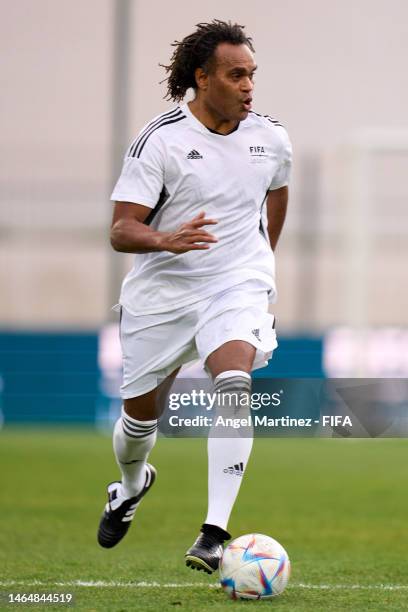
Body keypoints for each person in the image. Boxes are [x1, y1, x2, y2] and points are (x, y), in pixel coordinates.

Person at [97, 19, 292, 574]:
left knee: (234, 381)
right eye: (236, 75)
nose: (249, 86)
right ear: (203, 79)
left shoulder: (271, 136)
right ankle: (131, 486)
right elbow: (119, 230)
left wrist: (261, 260)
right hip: (163, 292)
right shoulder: (160, 140)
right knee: (140, 419)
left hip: (236, 284)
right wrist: (165, 239)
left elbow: (277, 191)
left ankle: (213, 531)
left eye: (252, 74)